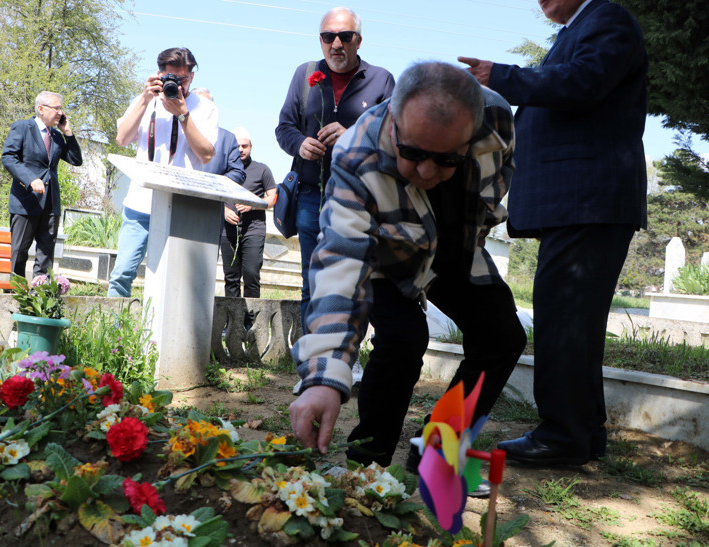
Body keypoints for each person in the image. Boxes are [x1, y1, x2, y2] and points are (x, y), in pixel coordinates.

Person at [288, 62, 526, 477]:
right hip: (384, 250)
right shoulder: (356, 154)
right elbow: (340, 262)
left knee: (502, 337)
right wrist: (324, 376)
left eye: (447, 159)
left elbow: (498, 178)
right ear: (394, 124)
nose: (428, 172)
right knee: (403, 339)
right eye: (413, 154)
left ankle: (438, 449)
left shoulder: (497, 118)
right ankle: (367, 467)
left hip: (455, 244)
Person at [458, 0, 648, 466]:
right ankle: (582, 432)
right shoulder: (576, 30)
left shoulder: (607, 18)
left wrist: (500, 76)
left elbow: (581, 83)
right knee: (572, 320)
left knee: (565, 319)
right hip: (579, 204)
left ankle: (563, 435)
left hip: (588, 199)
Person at [275, 6, 395, 333]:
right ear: (320, 40)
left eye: (345, 36)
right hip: (310, 197)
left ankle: (343, 354)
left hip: (358, 201)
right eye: (328, 37)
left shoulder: (382, 80)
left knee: (349, 282)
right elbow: (284, 128)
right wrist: (300, 144)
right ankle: (314, 356)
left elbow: (395, 140)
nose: (336, 44)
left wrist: (353, 137)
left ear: (359, 40)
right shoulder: (304, 74)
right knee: (311, 282)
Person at [108, 47, 218, 297]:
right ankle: (115, 324)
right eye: (172, 78)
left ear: (192, 76)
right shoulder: (145, 100)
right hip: (140, 202)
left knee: (176, 281)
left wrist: (183, 115)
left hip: (182, 205)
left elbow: (206, 154)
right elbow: (122, 139)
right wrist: (145, 99)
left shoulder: (205, 108)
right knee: (121, 274)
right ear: (159, 75)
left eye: (184, 79)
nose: (178, 84)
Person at [1, 91, 82, 278]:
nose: (60, 112)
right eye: (56, 108)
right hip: (25, 201)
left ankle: (40, 292)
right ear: (41, 109)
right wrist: (30, 179)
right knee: (19, 252)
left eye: (61, 109)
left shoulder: (56, 136)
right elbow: (9, 158)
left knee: (46, 254)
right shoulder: (22, 127)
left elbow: (76, 160)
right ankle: (16, 292)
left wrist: (68, 133)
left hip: (50, 203)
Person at [219, 127, 277, 325]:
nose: (241, 149)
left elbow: (273, 198)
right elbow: (211, 193)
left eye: (245, 146)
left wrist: (253, 204)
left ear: (251, 146)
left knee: (251, 274)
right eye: (237, 146)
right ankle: (232, 323)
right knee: (231, 277)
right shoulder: (223, 169)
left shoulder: (262, 169)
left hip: (254, 229)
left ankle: (250, 323)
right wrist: (223, 211)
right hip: (227, 229)